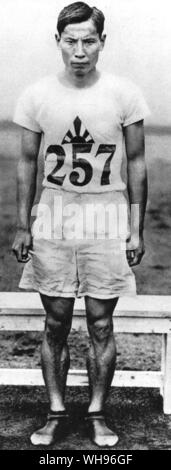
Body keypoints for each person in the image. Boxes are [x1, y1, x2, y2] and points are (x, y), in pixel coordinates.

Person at [12, 1, 149, 447]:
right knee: (54, 322)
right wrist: (21, 225)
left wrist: (136, 228)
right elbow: (27, 163)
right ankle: (54, 412)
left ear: (102, 43)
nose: (79, 50)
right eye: (71, 40)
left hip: (106, 214)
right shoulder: (35, 95)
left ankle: (97, 413)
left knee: (101, 323)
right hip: (53, 215)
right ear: (58, 42)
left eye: (89, 40)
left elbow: (137, 162)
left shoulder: (124, 94)